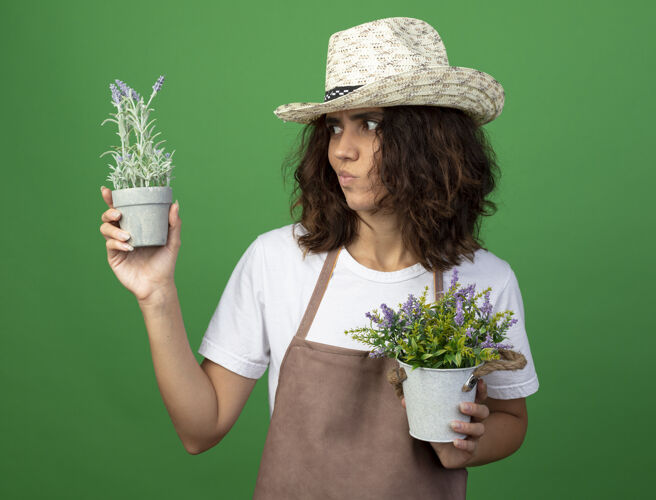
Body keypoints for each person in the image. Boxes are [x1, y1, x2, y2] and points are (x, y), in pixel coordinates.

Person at [99, 16, 538, 499]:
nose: (341, 152)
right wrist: (156, 294)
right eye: (334, 127)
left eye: (370, 125)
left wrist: (470, 445)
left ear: (432, 141)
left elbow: (511, 420)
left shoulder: (484, 280)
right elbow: (200, 430)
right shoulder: (277, 260)